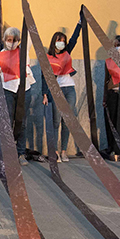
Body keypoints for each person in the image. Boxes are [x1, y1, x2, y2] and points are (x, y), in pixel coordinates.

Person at [41, 18, 84, 162]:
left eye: (63, 41)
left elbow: (74, 39)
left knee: (67, 121)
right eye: (59, 41)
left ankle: (64, 151)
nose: (62, 43)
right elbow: (44, 76)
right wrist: (44, 94)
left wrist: (79, 23)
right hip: (56, 91)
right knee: (56, 121)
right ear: (54, 42)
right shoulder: (48, 57)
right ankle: (55, 152)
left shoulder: (66, 53)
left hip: (69, 89)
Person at [0, 25, 35, 164]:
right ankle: (8, 153)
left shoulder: (23, 51)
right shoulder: (0, 55)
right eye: (9, 40)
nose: (11, 43)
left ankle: (21, 153)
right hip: (7, 90)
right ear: (5, 40)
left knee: (21, 122)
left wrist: (27, 18)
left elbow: (29, 36)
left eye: (14, 40)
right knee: (8, 122)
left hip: (24, 90)